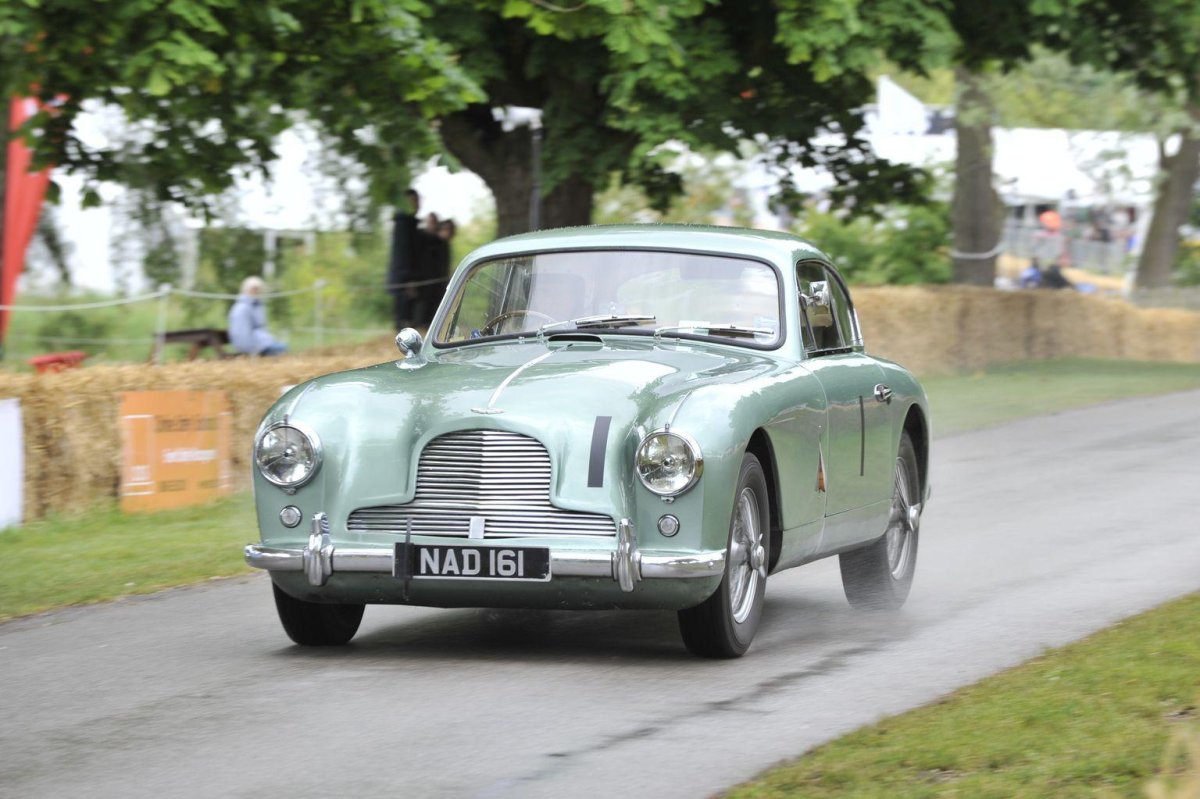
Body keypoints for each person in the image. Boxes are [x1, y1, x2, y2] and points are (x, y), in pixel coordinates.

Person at [228, 276, 288, 356]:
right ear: (246, 290)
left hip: (258, 343)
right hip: (255, 346)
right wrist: (252, 350)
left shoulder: (252, 306)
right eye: (254, 289)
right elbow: (242, 333)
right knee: (283, 348)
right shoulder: (244, 308)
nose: (256, 291)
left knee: (283, 348)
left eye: (257, 289)